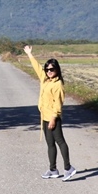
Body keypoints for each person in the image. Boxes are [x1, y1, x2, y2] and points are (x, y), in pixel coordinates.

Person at [23, 44, 77, 181]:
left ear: (57, 70)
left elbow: (58, 104)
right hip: (45, 117)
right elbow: (37, 68)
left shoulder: (58, 85)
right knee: (50, 144)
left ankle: (68, 168)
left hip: (53, 118)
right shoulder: (45, 79)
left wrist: (53, 119)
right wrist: (29, 54)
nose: (49, 71)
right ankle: (53, 170)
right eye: (47, 69)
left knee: (60, 142)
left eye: (52, 69)